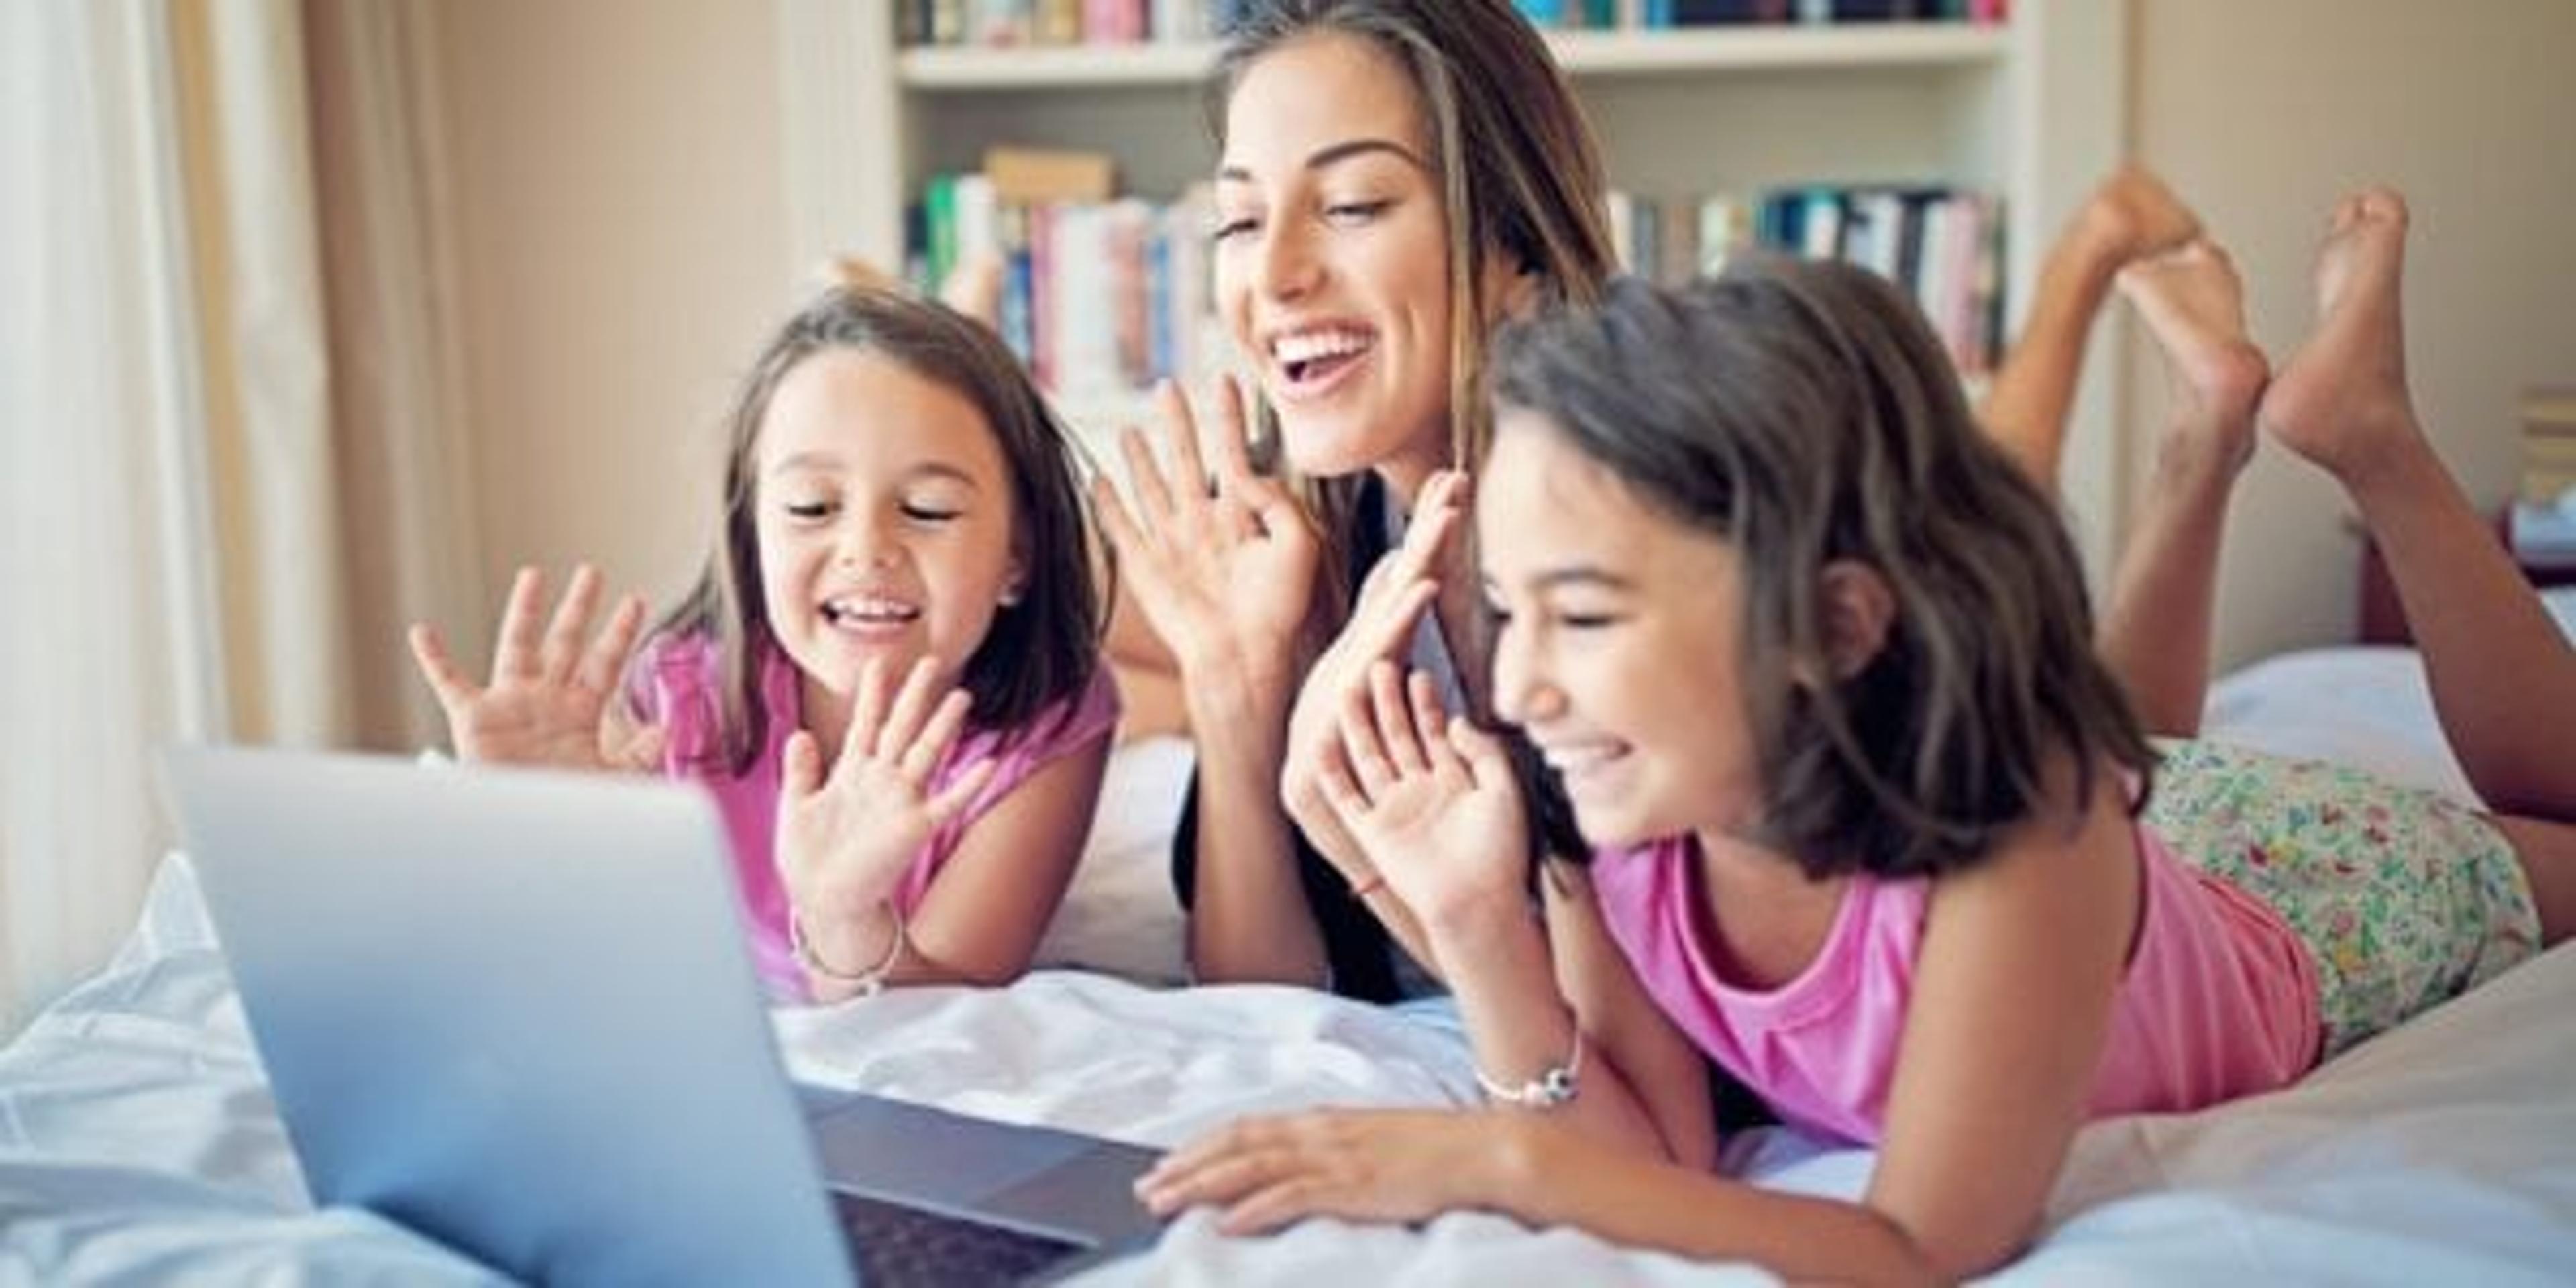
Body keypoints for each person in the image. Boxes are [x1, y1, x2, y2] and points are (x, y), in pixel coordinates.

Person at [1130, 245, 2574, 1280]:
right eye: (1508, 613)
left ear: (1832, 622)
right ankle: (2208, 436)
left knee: (2549, 825)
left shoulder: (2031, 838)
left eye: (1582, 614)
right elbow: (1665, 1151)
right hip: (2100, 824)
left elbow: (1915, 1244)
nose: (1517, 682)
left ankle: (2367, 441)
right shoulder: (1616, 798)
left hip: (2288, 904)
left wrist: (1500, 1165)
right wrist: (1466, 922)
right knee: (2123, 736)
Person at [1097, 0, 2207, 1005]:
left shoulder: (1656, 485)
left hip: (2075, 870)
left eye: (1351, 204)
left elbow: (1648, 1036)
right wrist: (1234, 697)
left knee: (2092, 734)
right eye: (1239, 222)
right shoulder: (1293, 546)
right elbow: (1257, 1014)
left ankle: (2185, 421)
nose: (1276, 275)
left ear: (1516, 249)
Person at [409, 284, 1118, 1002]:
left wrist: (841, 913)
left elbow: (938, 1025)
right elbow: (589, 983)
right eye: (812, 507)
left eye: (927, 510)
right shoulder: (675, 699)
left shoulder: (1049, 727)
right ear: (753, 533)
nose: (866, 549)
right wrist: (543, 836)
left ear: (1018, 557)